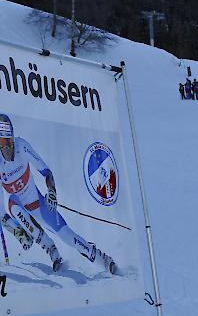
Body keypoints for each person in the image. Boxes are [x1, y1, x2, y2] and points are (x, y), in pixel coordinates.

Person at [0, 114, 116, 273]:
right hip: (17, 206)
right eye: (2, 143)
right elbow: (1, 213)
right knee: (14, 206)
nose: (7, 147)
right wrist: (17, 232)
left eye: (9, 141)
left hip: (36, 202)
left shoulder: (22, 146)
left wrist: (52, 192)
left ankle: (101, 258)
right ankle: (50, 248)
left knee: (66, 234)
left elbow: (46, 171)